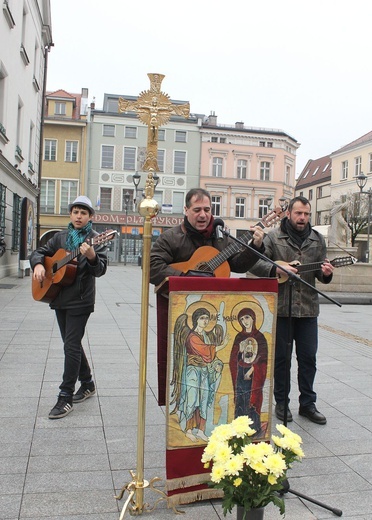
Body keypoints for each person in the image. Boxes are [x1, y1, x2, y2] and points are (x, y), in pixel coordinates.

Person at [249, 196, 334, 425]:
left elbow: (319, 272)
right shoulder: (274, 237)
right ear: (289, 214)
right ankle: (282, 403)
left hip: (308, 310)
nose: (302, 218)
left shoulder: (317, 239)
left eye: (306, 214)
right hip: (281, 308)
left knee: (308, 359)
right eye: (298, 213)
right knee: (282, 360)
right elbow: (255, 263)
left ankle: (308, 404)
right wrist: (278, 268)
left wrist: (326, 273)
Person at [30, 196, 108, 419]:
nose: (79, 216)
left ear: (90, 217)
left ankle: (65, 396)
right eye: (75, 212)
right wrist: (37, 265)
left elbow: (100, 270)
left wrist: (92, 257)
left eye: (83, 213)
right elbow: (39, 253)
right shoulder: (60, 238)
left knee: (71, 345)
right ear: (70, 214)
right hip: (58, 297)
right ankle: (87, 383)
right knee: (70, 344)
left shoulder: (96, 239)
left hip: (81, 301)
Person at [150, 188, 265, 286]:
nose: (203, 215)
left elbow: (239, 266)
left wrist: (255, 246)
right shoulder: (170, 237)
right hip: (177, 303)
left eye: (207, 210)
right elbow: (152, 267)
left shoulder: (221, 236)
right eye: (197, 210)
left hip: (213, 301)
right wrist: (185, 277)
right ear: (186, 210)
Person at [229, 307, 268, 433]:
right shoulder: (239, 337)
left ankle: (253, 428)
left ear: (253, 318)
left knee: (252, 400)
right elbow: (232, 359)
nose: (244, 321)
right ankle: (240, 428)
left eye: (247, 317)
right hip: (240, 374)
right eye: (241, 319)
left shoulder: (260, 337)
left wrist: (253, 369)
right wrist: (240, 351)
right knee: (241, 400)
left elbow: (263, 360)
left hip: (253, 376)